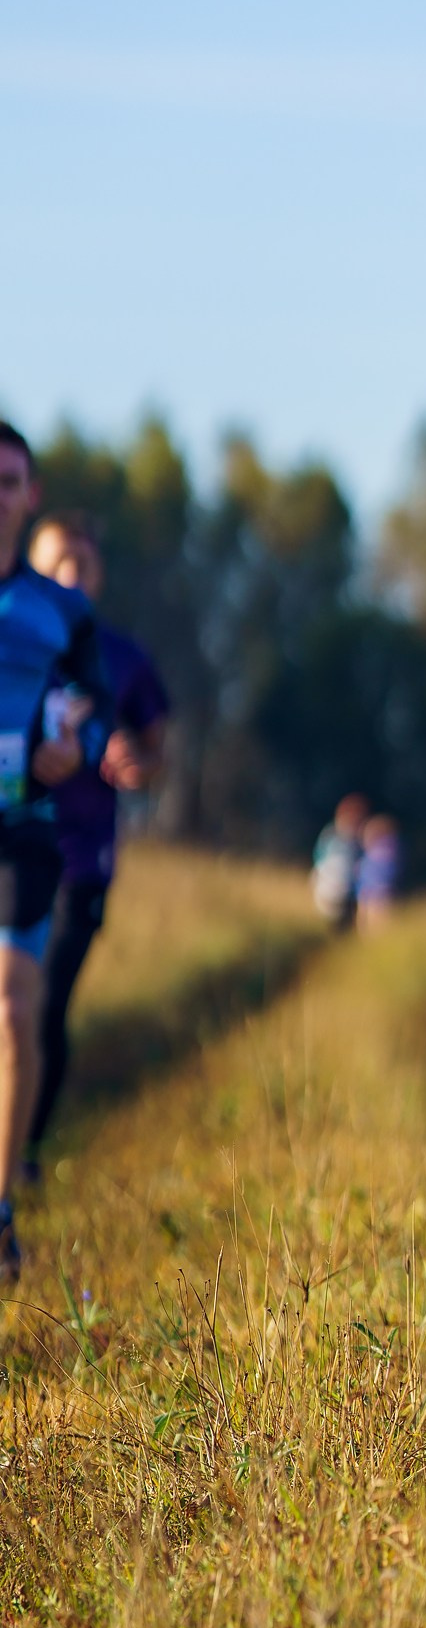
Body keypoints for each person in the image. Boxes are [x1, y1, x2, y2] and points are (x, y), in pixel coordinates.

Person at [21, 515, 172, 1176]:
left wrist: (134, 759)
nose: (72, 574)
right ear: (32, 565)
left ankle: (22, 1156)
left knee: (42, 1006)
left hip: (81, 862)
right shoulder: (14, 637)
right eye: (59, 561)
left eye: (84, 562)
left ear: (100, 574)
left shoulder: (124, 658)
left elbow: (156, 753)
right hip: (14, 843)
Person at [0, 426, 105, 1283]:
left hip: (23, 829)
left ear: (28, 495)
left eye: (9, 481)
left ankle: (1, 1207)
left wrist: (75, 747)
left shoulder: (62, 613)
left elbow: (92, 715)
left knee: (11, 1008)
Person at [311, 794, 369, 929]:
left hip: (348, 894)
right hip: (329, 892)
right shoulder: (331, 835)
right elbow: (319, 859)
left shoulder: (358, 839)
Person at [354, 812, 402, 932]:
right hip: (367, 891)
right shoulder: (369, 854)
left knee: (378, 922)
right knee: (367, 921)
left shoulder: (386, 850)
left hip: (379, 891)